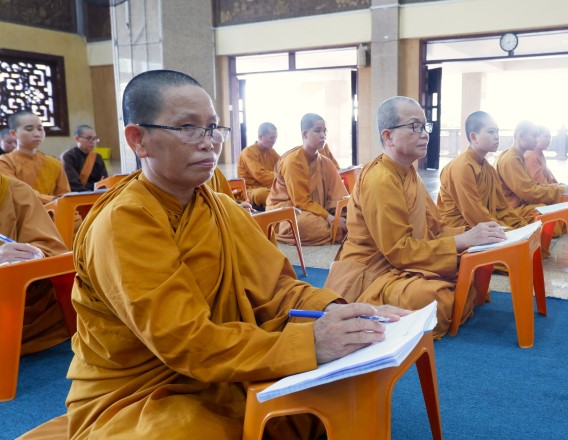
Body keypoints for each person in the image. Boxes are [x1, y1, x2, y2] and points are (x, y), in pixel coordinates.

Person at [66, 69, 408, 440]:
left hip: (229, 360)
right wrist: (308, 344)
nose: (209, 143)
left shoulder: (220, 207)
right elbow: (186, 342)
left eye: (213, 128)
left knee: (342, 381)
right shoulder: (124, 221)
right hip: (146, 391)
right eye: (188, 128)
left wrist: (342, 311)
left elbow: (279, 288)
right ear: (139, 139)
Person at [324, 97, 505, 338]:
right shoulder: (380, 180)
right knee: (433, 298)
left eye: (425, 126)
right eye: (414, 126)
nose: (425, 134)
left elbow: (435, 228)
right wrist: (461, 241)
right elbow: (398, 251)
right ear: (388, 136)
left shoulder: (409, 173)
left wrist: (471, 235)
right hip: (372, 273)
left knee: (468, 268)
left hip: (403, 263)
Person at [0, 173, 69, 355]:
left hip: (24, 312)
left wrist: (34, 254)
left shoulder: (14, 190)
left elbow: (52, 250)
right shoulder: (10, 162)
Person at [437, 111, 540, 230]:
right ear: (474, 137)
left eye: (497, 132)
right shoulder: (462, 167)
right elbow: (475, 214)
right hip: (460, 229)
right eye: (491, 132)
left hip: (484, 223)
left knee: (531, 229)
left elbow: (502, 208)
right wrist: (507, 231)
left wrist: (521, 226)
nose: (496, 136)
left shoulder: (488, 169)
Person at [266, 113, 349, 245]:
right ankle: (337, 229)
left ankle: (338, 226)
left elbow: (339, 195)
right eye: (318, 131)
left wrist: (342, 214)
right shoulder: (293, 162)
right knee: (303, 224)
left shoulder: (325, 162)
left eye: (325, 131)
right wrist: (330, 217)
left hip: (317, 210)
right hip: (289, 210)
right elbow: (300, 201)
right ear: (305, 134)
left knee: (354, 216)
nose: (323, 135)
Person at [495, 120, 568, 209]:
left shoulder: (517, 156)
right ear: (520, 136)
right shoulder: (512, 159)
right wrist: (564, 189)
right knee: (558, 210)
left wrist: (562, 187)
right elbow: (530, 192)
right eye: (534, 136)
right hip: (511, 210)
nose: (537, 140)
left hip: (521, 205)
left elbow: (534, 187)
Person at [0, 110, 71, 204]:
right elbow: (17, 191)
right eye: (29, 129)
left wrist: (61, 201)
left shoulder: (54, 163)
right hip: (18, 212)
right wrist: (53, 200)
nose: (37, 134)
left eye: (40, 129)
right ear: (13, 134)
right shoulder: (5, 162)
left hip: (53, 211)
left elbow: (64, 195)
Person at [237, 122, 280, 209]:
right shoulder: (248, 152)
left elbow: (283, 165)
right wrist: (282, 177)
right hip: (251, 190)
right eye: (272, 138)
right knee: (263, 194)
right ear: (260, 136)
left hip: (268, 187)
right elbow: (260, 175)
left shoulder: (271, 152)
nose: (274, 140)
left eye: (276, 137)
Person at [61, 125, 109, 192]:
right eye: (89, 138)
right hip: (77, 193)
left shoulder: (97, 157)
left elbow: (104, 180)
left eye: (95, 138)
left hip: (97, 193)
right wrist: (89, 193)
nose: (93, 142)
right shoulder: (68, 157)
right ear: (77, 139)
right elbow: (72, 183)